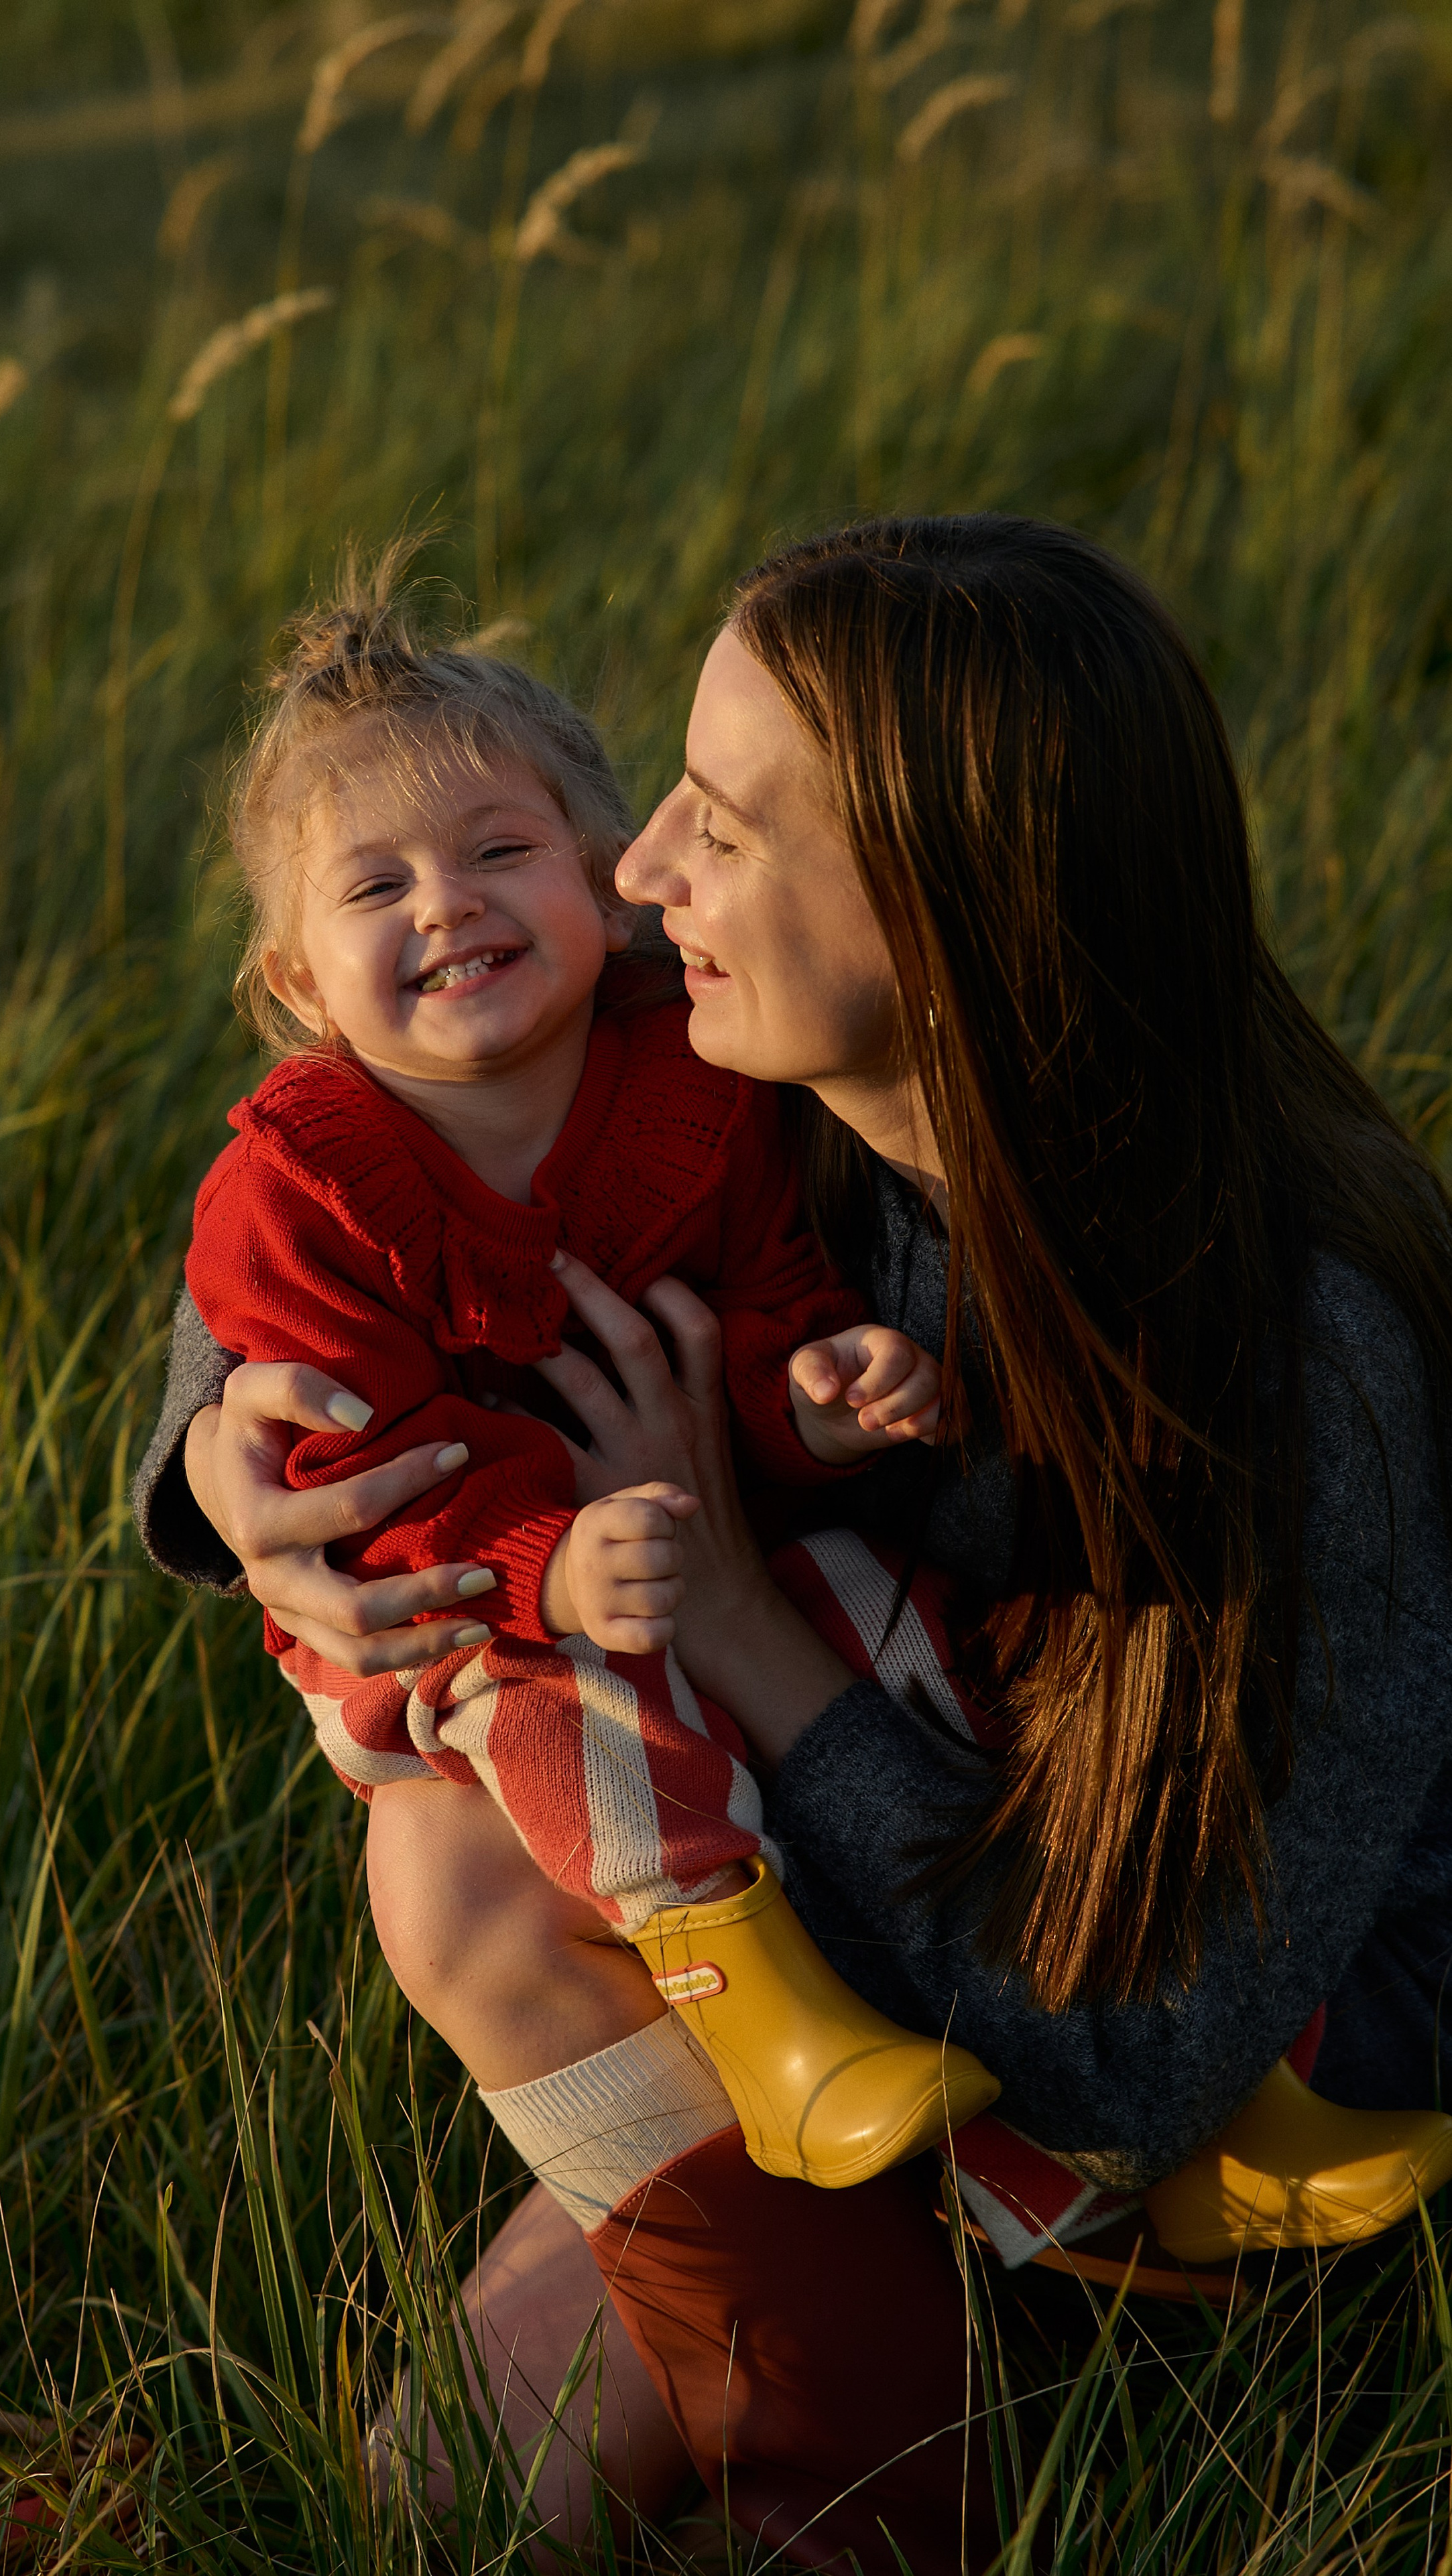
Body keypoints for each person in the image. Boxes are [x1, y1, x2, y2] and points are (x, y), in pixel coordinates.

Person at [136, 517, 1452, 2573]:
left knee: (455, 1883)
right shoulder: (775, 1066)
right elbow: (371, 1135)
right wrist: (219, 1442)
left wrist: (741, 1613)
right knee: (402, 2510)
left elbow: (1137, 2046)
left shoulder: (1294, 1366)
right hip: (879, 1933)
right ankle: (837, 2370)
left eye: (718, 826)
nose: (639, 872)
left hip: (1233, 2124)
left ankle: (878, 2486)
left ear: (945, 911)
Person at [171, 558, 997, 2197]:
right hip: (447, 1609)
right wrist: (548, 1560)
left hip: (708, 1535)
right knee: (582, 1709)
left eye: (498, 851)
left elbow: (769, 1296)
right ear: (293, 989)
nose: (443, 905)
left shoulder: (689, 1070)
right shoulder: (291, 1187)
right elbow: (353, 1466)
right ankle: (764, 2020)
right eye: (373, 887)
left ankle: (1097, 2006)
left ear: (606, 879)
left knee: (893, 1613)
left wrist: (817, 1397)